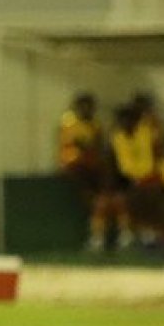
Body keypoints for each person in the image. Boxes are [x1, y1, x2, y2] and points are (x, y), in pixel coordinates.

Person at [57, 93, 121, 251]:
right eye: (83, 106)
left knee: (104, 198)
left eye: (89, 106)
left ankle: (102, 232)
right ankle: (97, 231)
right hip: (74, 166)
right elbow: (81, 145)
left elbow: (97, 146)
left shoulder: (95, 125)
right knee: (92, 199)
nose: (87, 110)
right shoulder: (69, 123)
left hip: (92, 166)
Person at [111, 98, 161, 248]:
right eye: (122, 120)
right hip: (127, 179)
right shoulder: (117, 137)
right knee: (128, 197)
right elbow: (121, 164)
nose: (125, 123)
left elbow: (157, 149)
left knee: (150, 193)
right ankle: (128, 233)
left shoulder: (146, 131)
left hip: (150, 175)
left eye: (129, 119)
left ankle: (148, 231)